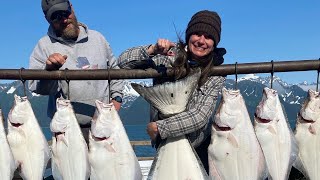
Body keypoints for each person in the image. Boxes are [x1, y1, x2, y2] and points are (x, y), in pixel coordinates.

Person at [118, 10, 226, 173]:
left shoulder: (216, 73)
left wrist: (160, 128)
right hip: (165, 145)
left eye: (209, 37)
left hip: (199, 148)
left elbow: (200, 116)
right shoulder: (167, 57)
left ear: (215, 43)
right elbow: (123, 62)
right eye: (197, 34)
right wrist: (152, 49)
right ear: (189, 34)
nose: (202, 41)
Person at [28, 0, 124, 140]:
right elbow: (36, 86)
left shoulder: (98, 38)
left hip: (106, 125)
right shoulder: (43, 46)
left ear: (71, 7)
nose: (64, 19)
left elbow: (115, 72)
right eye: (56, 16)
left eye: (65, 12)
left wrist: (116, 100)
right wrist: (49, 71)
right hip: (67, 131)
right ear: (47, 19)